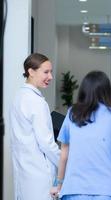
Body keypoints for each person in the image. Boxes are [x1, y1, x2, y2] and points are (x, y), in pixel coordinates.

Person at [50, 71, 111, 200]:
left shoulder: (72, 113)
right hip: (107, 190)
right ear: (107, 91)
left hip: (74, 189)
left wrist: (58, 185)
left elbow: (64, 153)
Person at [10, 53, 60, 200]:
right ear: (31, 72)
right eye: (46, 72)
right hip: (39, 177)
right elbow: (47, 143)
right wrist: (66, 163)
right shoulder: (36, 102)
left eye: (50, 72)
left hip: (24, 173)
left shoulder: (18, 96)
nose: (50, 77)